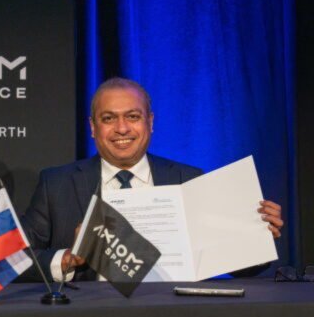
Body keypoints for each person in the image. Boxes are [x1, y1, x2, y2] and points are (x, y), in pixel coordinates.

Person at [22, 77, 283, 282]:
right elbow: (13, 261)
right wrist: (69, 258)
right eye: (109, 118)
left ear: (150, 122)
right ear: (93, 127)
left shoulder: (188, 180)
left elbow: (240, 267)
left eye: (133, 117)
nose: (122, 128)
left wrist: (257, 238)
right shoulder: (56, 184)